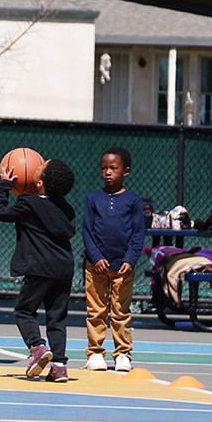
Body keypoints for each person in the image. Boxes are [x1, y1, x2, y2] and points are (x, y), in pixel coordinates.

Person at [0, 156, 76, 383]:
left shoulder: (29, 205)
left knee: (24, 311)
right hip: (64, 268)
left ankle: (38, 348)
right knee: (57, 318)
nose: (36, 165)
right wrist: (25, 194)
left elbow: (0, 212)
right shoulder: (66, 209)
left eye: (40, 166)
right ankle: (59, 366)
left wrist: (4, 185)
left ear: (40, 182)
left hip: (40, 268)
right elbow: (44, 205)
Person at [82, 146, 146, 373]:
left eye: (113, 168)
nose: (108, 172)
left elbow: (138, 234)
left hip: (123, 268)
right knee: (96, 310)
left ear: (125, 171)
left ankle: (122, 354)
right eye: (104, 168)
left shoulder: (133, 201)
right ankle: (95, 353)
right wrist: (96, 257)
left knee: (120, 311)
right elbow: (87, 232)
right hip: (95, 267)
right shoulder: (93, 199)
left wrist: (130, 259)